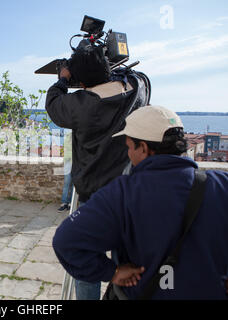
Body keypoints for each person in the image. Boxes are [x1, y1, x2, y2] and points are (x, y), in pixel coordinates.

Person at [53, 106, 228, 300]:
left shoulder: (122, 194)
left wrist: (113, 272)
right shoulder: (222, 185)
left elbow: (65, 241)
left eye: (129, 147)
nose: (128, 154)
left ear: (143, 148)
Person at [45, 45, 149, 299]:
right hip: (129, 194)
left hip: (93, 196)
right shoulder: (137, 89)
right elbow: (140, 76)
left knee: (85, 259)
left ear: (80, 81)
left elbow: (53, 103)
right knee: (127, 260)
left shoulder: (82, 105)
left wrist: (63, 78)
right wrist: (106, 66)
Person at [58, 130, 73, 211]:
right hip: (68, 161)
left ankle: (71, 203)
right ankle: (64, 203)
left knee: (74, 184)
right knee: (67, 183)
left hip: (77, 162)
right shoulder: (69, 134)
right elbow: (67, 148)